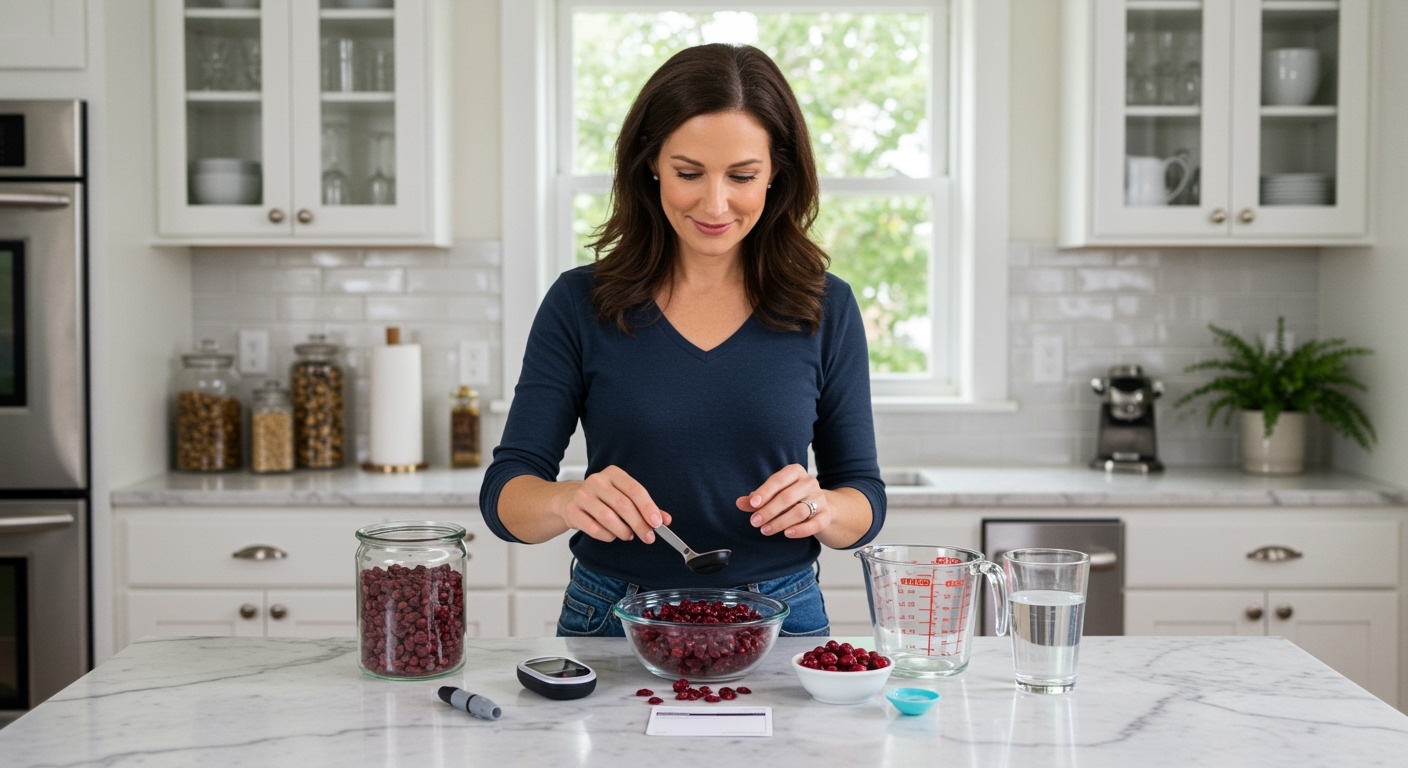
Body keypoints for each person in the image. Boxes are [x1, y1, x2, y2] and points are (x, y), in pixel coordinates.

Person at [479, 43, 885, 638]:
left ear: (777, 172)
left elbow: (864, 500)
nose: (714, 203)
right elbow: (505, 495)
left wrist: (822, 508)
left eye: (742, 176)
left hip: (781, 614)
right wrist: (566, 502)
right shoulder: (579, 302)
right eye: (688, 173)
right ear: (650, 164)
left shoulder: (826, 306)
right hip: (613, 614)